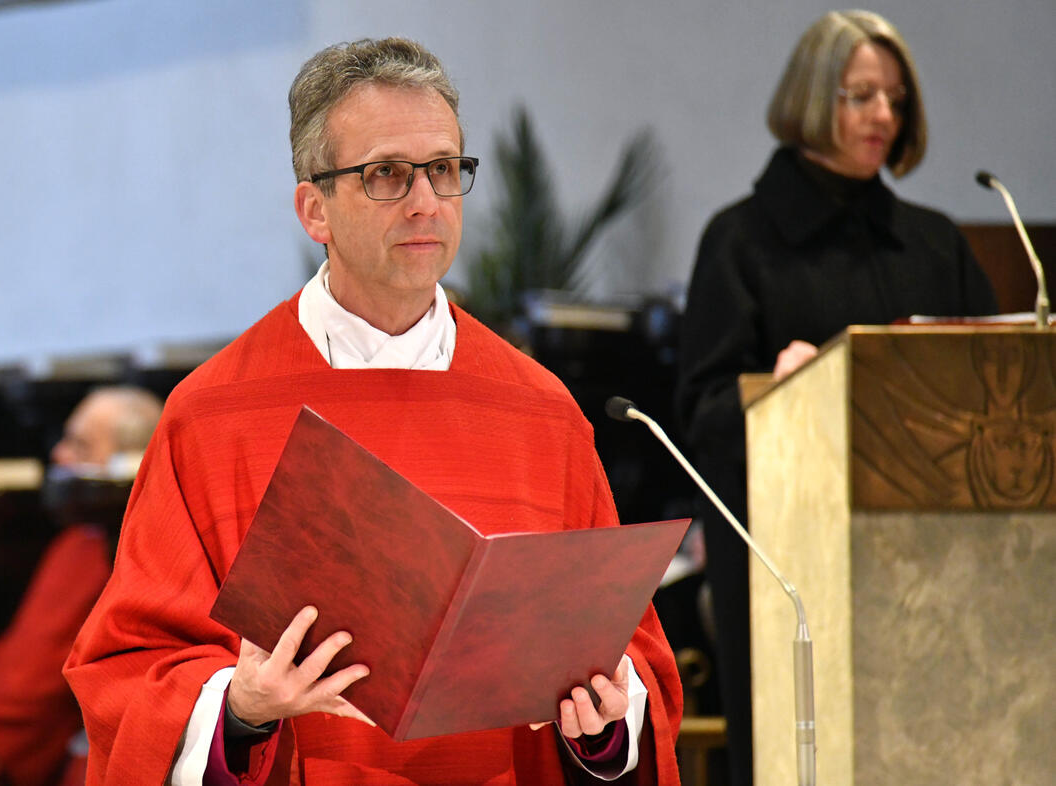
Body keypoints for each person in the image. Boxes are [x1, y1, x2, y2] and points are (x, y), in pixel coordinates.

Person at [64, 38, 683, 786]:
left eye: (445, 170)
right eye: (387, 174)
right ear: (314, 209)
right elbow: (131, 672)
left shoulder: (540, 413)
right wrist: (241, 710)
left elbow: (632, 651)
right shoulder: (215, 415)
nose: (426, 201)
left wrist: (604, 724)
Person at [675, 10, 998, 786]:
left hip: (933, 566)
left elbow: (998, 384)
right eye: (861, 96)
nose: (884, 116)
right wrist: (783, 393)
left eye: (895, 99)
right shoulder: (742, 240)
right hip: (793, 571)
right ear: (814, 98)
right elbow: (699, 419)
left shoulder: (934, 241)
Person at [0, 386, 163, 786]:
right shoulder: (76, 542)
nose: (59, 454)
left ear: (129, 464)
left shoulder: (117, 551)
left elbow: (29, 696)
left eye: (80, 445)